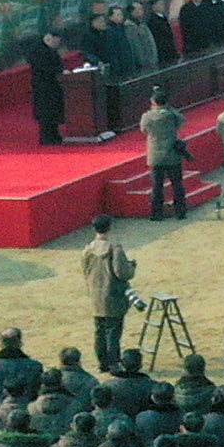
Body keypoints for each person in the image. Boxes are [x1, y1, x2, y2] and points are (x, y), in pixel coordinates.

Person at [78, 223, 137, 376]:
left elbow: (85, 272)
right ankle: (114, 363)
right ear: (109, 229)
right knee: (113, 332)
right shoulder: (114, 249)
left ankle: (102, 364)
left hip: (96, 296)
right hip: (113, 296)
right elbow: (122, 273)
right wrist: (131, 267)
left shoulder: (87, 249)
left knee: (99, 331)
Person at [141, 97, 189, 223]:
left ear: (153, 103)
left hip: (155, 154)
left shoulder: (147, 117)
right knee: (177, 184)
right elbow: (182, 121)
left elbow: (143, 130)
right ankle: (180, 211)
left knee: (157, 186)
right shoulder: (172, 115)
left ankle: (157, 213)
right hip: (172, 153)